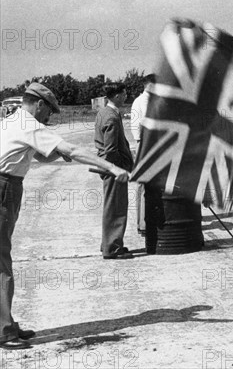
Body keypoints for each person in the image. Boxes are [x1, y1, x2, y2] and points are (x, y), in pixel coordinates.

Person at [0, 83, 128, 350]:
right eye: (50, 112)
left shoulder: (14, 120)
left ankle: (6, 323)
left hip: (8, 185)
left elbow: (39, 156)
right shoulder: (29, 125)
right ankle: (3, 331)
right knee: (1, 261)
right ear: (39, 104)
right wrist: (111, 167)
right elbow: (73, 150)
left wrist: (55, 153)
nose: (50, 119)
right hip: (4, 187)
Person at [94, 84, 134, 260]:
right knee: (115, 208)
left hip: (110, 167)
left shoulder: (104, 112)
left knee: (113, 206)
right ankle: (112, 248)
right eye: (124, 93)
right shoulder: (111, 117)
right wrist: (117, 169)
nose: (126, 96)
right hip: (114, 169)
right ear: (117, 96)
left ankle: (109, 244)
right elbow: (111, 150)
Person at [130, 74, 156, 237]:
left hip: (144, 143)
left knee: (144, 185)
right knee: (145, 185)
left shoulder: (143, 100)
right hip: (146, 144)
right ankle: (144, 224)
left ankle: (144, 223)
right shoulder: (145, 101)